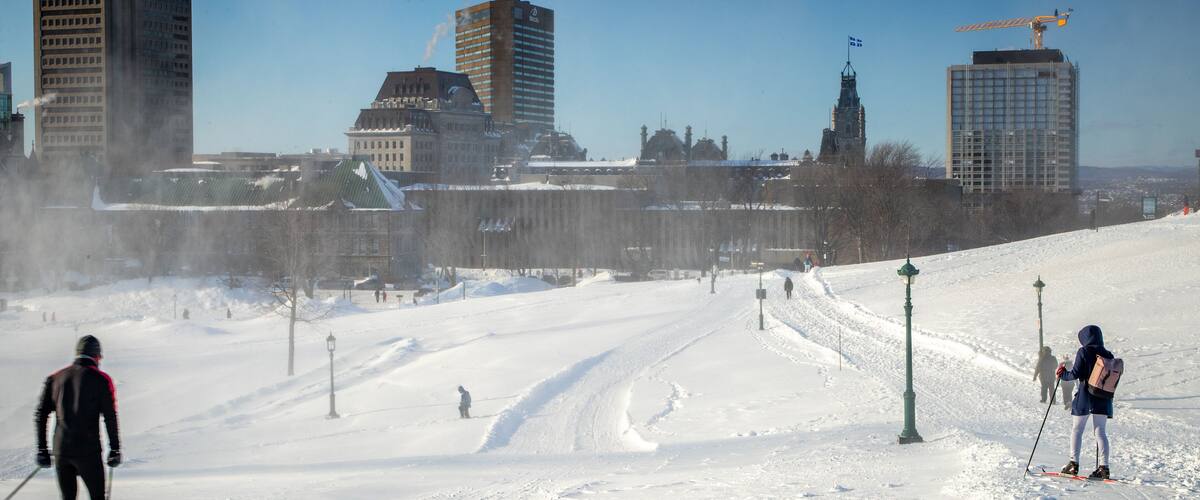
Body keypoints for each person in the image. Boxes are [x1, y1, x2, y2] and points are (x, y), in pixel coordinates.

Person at [35, 335, 121, 500]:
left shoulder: (55, 378)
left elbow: (41, 414)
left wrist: (42, 450)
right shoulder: (102, 380)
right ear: (96, 356)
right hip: (88, 452)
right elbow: (110, 417)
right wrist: (115, 449)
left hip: (62, 451)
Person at [1056, 325, 1115, 479]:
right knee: (1100, 432)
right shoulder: (1108, 354)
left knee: (1077, 430)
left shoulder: (1084, 351)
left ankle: (1073, 464)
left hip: (1085, 397)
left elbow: (1075, 374)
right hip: (1103, 398)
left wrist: (1062, 374)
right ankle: (1104, 468)